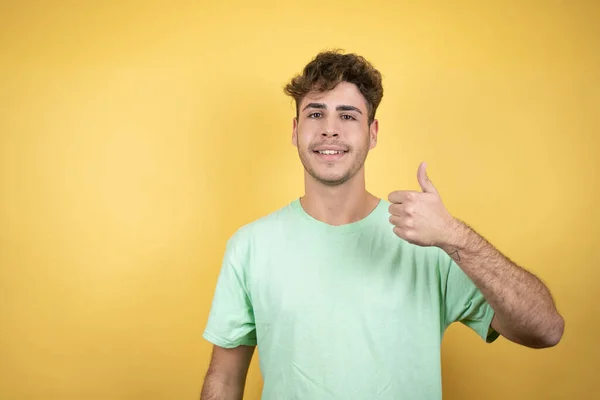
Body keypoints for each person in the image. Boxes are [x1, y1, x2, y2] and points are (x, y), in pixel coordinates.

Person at [199, 50, 565, 400]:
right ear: (295, 130)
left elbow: (546, 330)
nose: (330, 130)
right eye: (315, 114)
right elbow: (226, 377)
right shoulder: (250, 246)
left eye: (347, 116)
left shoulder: (427, 240)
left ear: (373, 133)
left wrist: (454, 237)